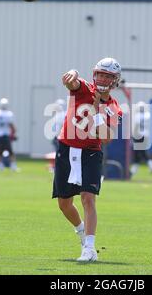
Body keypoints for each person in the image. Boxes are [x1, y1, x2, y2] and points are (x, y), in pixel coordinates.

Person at [53, 57, 123, 262]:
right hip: (67, 148)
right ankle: (81, 232)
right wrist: (72, 72)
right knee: (64, 204)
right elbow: (71, 82)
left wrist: (99, 109)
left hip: (91, 152)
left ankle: (90, 248)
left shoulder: (113, 106)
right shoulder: (84, 88)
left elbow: (107, 138)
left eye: (107, 75)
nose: (102, 78)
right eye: (100, 73)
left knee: (87, 198)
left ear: (115, 80)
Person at [0, 98, 19, 171]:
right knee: (10, 151)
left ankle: (0, 165)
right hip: (5, 134)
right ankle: (13, 165)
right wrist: (14, 132)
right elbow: (11, 125)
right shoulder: (8, 114)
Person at [130, 101, 152, 176]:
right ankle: (135, 169)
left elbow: (137, 125)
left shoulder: (138, 116)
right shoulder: (148, 115)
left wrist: (133, 134)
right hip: (146, 135)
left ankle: (151, 166)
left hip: (139, 135)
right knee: (140, 152)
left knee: (140, 152)